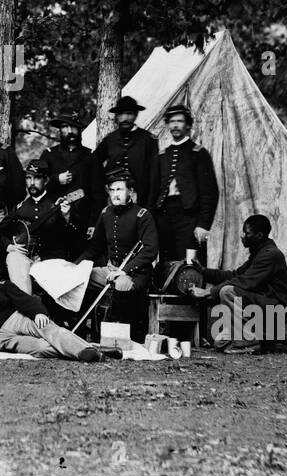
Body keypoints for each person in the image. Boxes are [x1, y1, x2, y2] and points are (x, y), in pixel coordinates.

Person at [0, 249, 100, 361]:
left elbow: (25, 300)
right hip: (2, 338)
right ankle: (90, 350)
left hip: (18, 320)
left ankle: (83, 351)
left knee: (49, 329)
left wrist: (38, 313)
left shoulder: (2, 286)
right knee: (41, 347)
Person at [188, 214, 287, 353]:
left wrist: (208, 292)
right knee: (220, 343)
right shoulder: (260, 252)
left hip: (275, 310)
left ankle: (261, 340)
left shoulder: (270, 255)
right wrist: (203, 271)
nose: (242, 235)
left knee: (227, 291)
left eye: (247, 233)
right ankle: (270, 338)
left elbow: (244, 281)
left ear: (259, 235)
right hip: (263, 307)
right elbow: (235, 275)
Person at [81, 168, 159, 342]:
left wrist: (125, 271)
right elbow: (95, 247)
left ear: (130, 191)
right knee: (82, 278)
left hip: (136, 274)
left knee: (121, 285)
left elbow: (150, 250)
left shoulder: (142, 215)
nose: (115, 194)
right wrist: (77, 266)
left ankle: (117, 338)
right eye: (112, 190)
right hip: (110, 269)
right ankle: (84, 333)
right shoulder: (106, 213)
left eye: (120, 190)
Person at [149, 103, 219, 263]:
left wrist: (203, 224)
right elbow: (153, 192)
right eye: (171, 121)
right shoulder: (162, 155)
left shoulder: (198, 153)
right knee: (166, 263)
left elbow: (210, 193)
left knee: (190, 264)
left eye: (179, 121)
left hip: (189, 217)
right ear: (167, 125)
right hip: (164, 217)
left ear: (188, 124)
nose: (175, 125)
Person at [5, 158, 82, 294]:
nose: (32, 183)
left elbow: (74, 238)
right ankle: (28, 306)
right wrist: (9, 245)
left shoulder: (57, 203)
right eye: (28, 178)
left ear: (46, 181)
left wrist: (66, 217)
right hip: (25, 258)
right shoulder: (20, 207)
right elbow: (0, 231)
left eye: (36, 179)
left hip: (51, 260)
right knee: (12, 258)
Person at [91, 95, 156, 206]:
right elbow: (94, 163)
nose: (125, 118)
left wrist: (149, 205)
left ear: (135, 115)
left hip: (140, 200)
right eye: (121, 114)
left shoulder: (148, 139)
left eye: (129, 113)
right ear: (117, 117)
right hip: (113, 201)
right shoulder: (110, 139)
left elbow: (154, 175)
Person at [39, 114, 92, 253]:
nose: (70, 131)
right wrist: (56, 180)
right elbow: (38, 188)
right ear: (60, 131)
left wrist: (93, 223)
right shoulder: (49, 155)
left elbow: (96, 192)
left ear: (79, 130)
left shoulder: (90, 156)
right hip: (54, 219)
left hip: (82, 220)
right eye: (65, 127)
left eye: (73, 127)